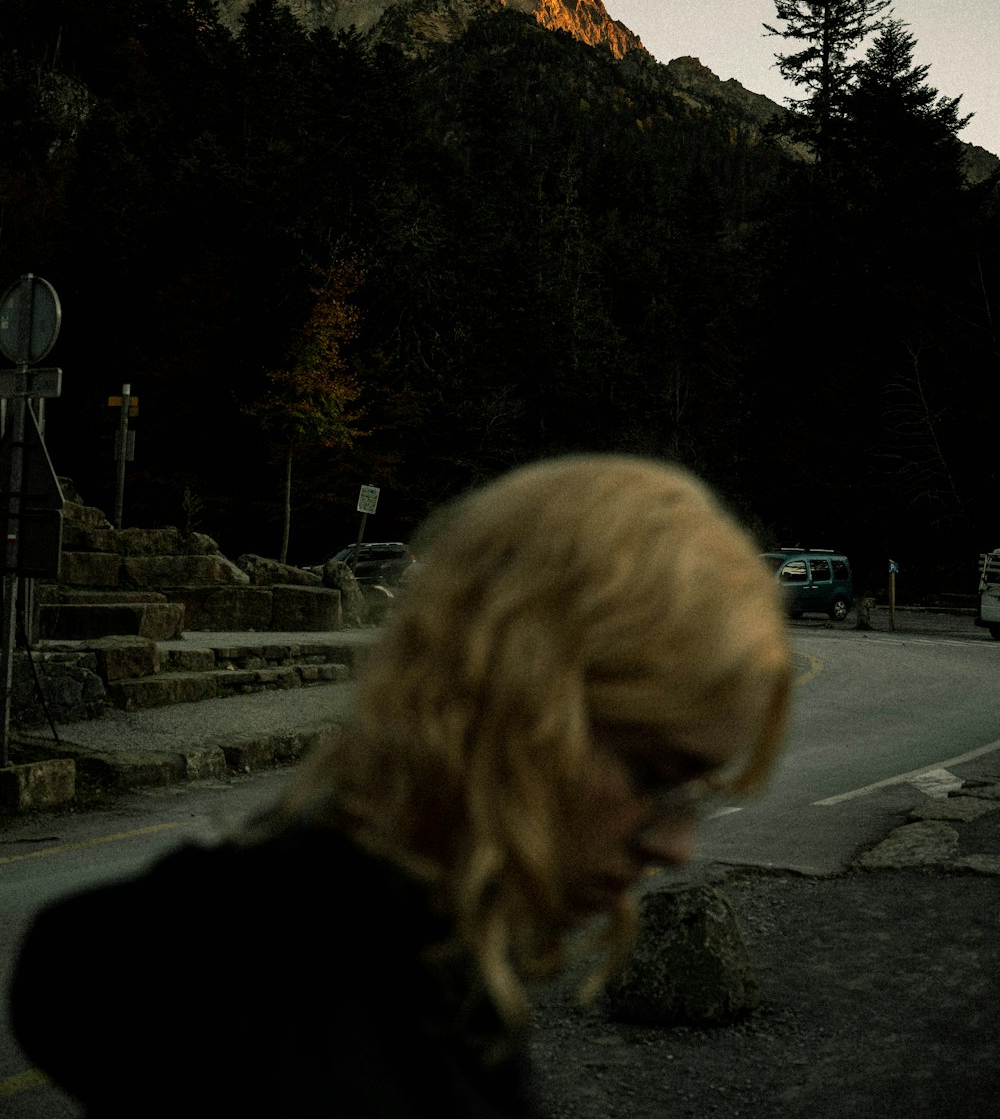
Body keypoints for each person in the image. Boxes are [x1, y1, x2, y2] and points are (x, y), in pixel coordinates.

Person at [11, 454, 790, 1117]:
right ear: (505, 701)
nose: (676, 847)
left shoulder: (445, 962)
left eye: (696, 795)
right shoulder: (275, 992)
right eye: (654, 775)